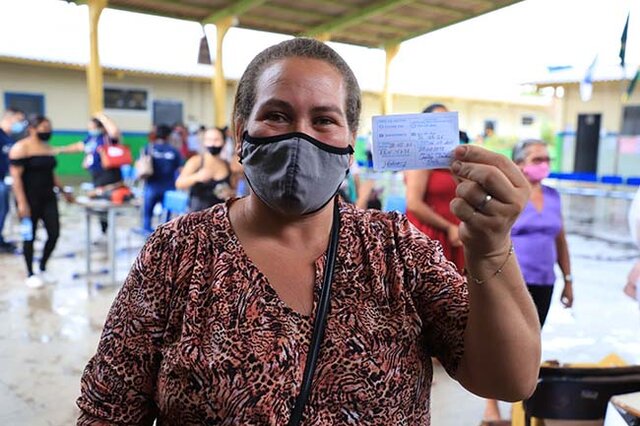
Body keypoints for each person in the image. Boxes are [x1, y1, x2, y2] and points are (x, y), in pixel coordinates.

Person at [77, 38, 540, 425]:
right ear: (242, 130)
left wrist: (490, 246)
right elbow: (109, 410)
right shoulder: (178, 253)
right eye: (276, 115)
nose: (300, 136)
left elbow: (510, 380)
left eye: (324, 119)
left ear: (350, 140)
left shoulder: (396, 250)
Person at [483, 138, 575, 421]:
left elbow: (560, 239)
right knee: (502, 341)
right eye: (537, 160)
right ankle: (491, 403)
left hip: (545, 280)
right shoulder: (506, 196)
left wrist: (568, 280)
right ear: (519, 164)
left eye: (547, 159)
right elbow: (490, 238)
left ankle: (524, 403)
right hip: (511, 281)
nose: (543, 165)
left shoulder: (553, 196)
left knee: (531, 343)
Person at [9, 115, 73, 288]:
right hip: (28, 199)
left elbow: (51, 174)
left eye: (49, 128)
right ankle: (30, 272)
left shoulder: (47, 148)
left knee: (54, 233)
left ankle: (43, 267)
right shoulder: (20, 148)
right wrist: (22, 204)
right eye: (43, 128)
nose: (47, 131)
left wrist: (63, 191)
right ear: (32, 129)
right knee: (29, 236)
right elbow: (16, 178)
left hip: (48, 198)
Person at [405, 103, 465, 271]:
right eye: (438, 121)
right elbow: (414, 204)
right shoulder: (420, 159)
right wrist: (448, 227)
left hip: (454, 233)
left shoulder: (452, 161)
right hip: (431, 234)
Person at [55, 113, 124, 233]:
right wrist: (61, 149)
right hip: (96, 175)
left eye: (93, 127)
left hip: (109, 175)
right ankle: (104, 230)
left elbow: (115, 130)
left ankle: (110, 231)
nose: (91, 130)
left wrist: (103, 118)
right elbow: (79, 146)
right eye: (89, 128)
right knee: (99, 204)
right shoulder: (91, 138)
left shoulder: (108, 138)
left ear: (101, 127)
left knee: (108, 203)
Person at [175, 126, 233, 211]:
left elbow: (233, 191)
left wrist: (229, 193)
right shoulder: (196, 161)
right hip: (197, 215)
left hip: (220, 216)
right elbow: (179, 183)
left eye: (216, 140)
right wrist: (197, 177)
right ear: (204, 142)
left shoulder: (227, 165)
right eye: (209, 140)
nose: (212, 144)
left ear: (224, 142)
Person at [140, 124, 182, 233]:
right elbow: (180, 170)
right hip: (168, 188)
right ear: (168, 136)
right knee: (165, 220)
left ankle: (147, 240)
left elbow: (141, 165)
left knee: (147, 216)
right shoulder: (174, 151)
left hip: (151, 187)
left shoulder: (149, 148)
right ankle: (162, 239)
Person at [0, 107, 27, 253]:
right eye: (19, 120)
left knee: (4, 210)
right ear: (9, 119)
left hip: (3, 178)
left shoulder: (8, 138)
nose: (21, 124)